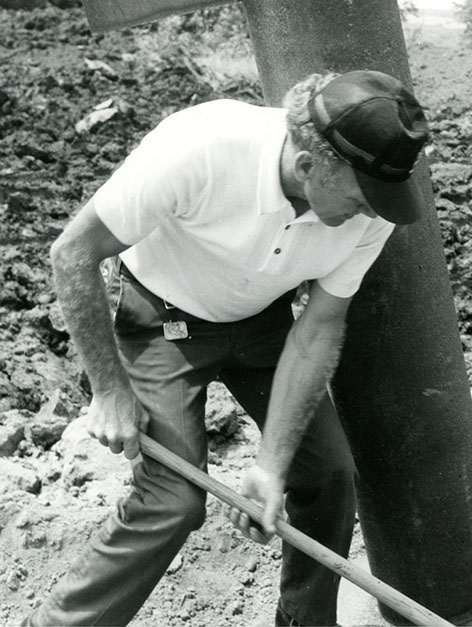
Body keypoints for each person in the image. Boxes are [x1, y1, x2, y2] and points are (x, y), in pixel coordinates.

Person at [25, 69, 430, 627]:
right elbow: (72, 252)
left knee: (329, 475)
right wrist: (109, 388)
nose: (371, 214)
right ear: (310, 166)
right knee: (172, 503)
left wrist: (271, 465)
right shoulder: (201, 148)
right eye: (362, 200)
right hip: (162, 318)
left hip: (263, 320)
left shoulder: (369, 210)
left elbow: (316, 332)